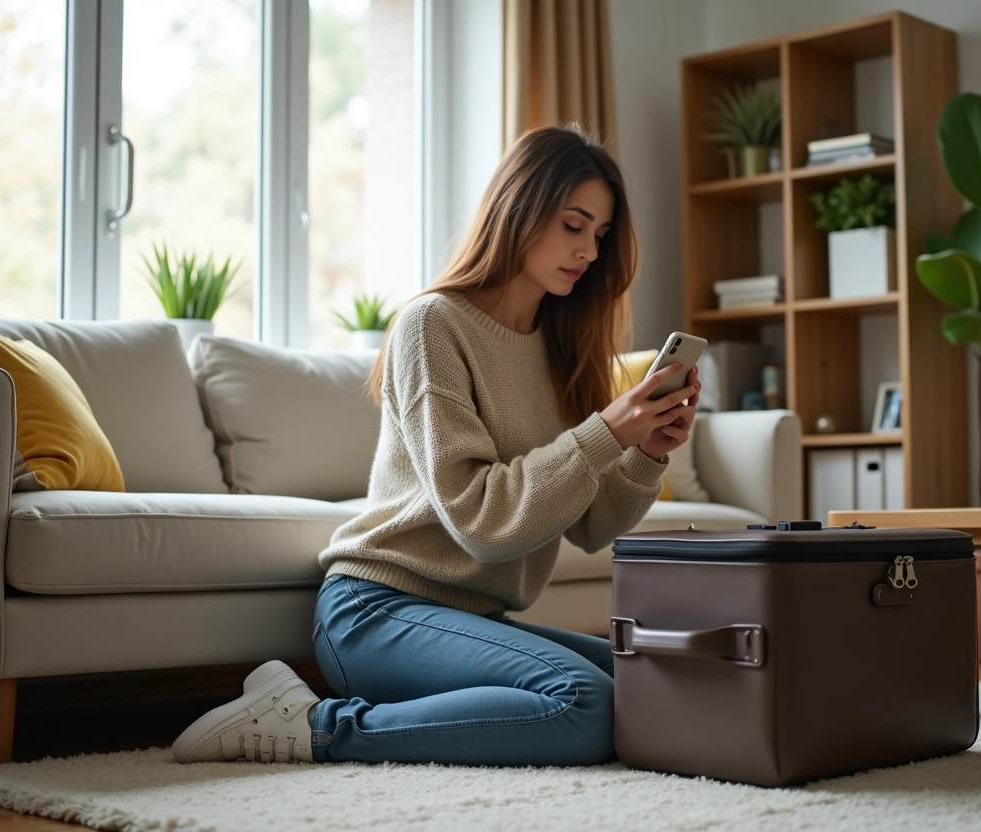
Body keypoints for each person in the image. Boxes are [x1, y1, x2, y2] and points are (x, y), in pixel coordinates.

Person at [171, 125, 700, 767]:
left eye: (600, 235)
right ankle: (312, 725)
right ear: (519, 209)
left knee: (651, 685)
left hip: (472, 623)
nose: (588, 249)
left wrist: (646, 453)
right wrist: (606, 434)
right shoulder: (433, 326)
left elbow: (590, 527)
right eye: (573, 225)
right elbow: (481, 523)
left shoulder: (562, 350)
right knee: (583, 703)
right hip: (376, 612)